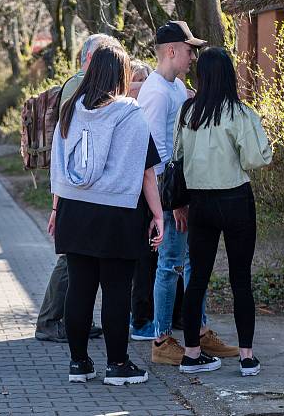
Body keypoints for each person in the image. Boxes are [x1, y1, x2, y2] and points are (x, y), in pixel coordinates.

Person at [49, 39, 164, 386]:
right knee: (116, 290)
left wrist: (56, 207)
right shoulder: (130, 113)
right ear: (121, 74)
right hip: (117, 211)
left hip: (73, 207)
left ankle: (79, 363)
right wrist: (158, 216)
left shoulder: (69, 108)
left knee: (80, 288)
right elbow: (145, 172)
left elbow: (58, 159)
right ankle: (117, 365)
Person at [138, 21, 239, 365]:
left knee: (195, 264)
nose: (193, 56)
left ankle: (198, 331)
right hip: (173, 195)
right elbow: (156, 153)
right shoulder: (154, 92)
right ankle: (163, 340)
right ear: (171, 51)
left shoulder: (177, 87)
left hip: (187, 191)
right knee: (169, 264)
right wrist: (176, 202)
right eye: (188, 50)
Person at [175, 47, 272, 376]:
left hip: (199, 203)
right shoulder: (239, 112)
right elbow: (255, 159)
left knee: (197, 279)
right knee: (240, 279)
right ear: (229, 75)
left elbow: (178, 155)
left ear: (201, 76)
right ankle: (246, 357)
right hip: (235, 200)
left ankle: (191, 353)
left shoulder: (188, 112)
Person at [35, 33, 110, 344]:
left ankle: (73, 319)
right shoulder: (78, 85)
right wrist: (56, 204)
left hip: (77, 186)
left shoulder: (81, 84)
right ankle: (49, 321)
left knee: (80, 258)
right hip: (75, 186)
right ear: (91, 58)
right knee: (71, 257)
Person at [126, 60, 158, 342]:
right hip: (137, 196)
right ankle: (141, 318)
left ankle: (135, 315)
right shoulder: (132, 113)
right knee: (143, 261)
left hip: (134, 195)